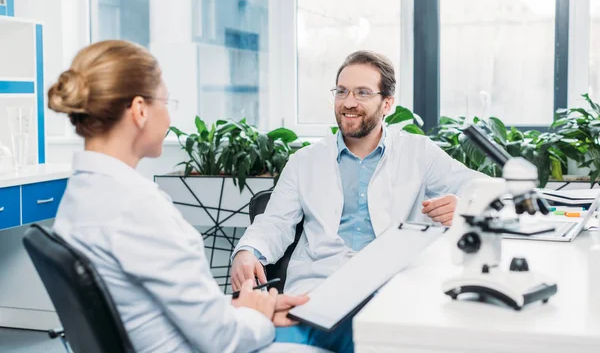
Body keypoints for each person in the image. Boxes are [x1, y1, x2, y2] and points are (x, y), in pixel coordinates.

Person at [48, 40, 311, 353]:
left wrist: (245, 309)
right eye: (166, 101)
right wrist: (259, 316)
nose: (169, 117)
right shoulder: (138, 208)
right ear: (140, 110)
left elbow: (157, 309)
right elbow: (222, 340)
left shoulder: (82, 194)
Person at [230, 50, 486, 352]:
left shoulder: (419, 153)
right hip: (316, 293)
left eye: (362, 93)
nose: (348, 102)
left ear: (387, 103)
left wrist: (464, 204)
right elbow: (275, 223)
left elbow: (478, 186)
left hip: (387, 291)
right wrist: (248, 251)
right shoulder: (304, 161)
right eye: (342, 91)